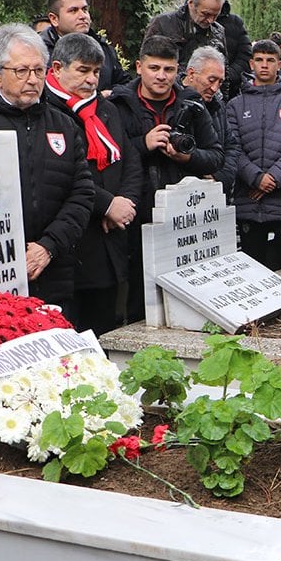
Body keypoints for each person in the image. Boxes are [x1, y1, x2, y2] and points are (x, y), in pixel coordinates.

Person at [0, 24, 95, 308]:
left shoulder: (63, 124)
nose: (32, 80)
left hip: (55, 271)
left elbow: (82, 192)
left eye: (38, 70)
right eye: (21, 71)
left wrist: (49, 246)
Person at [110, 35, 223, 321]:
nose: (162, 76)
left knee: (188, 299)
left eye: (169, 70)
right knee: (140, 301)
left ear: (179, 71)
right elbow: (110, 160)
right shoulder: (118, 105)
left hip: (183, 216)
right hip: (138, 215)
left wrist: (188, 157)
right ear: (139, 67)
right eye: (154, 68)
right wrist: (142, 144)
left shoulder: (192, 103)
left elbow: (216, 155)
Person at [42, 32, 141, 335]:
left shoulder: (106, 109)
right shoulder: (47, 111)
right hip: (75, 239)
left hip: (111, 238)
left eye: (96, 72)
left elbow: (130, 160)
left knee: (106, 327)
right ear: (58, 68)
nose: (91, 80)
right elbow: (61, 174)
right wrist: (106, 205)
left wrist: (124, 203)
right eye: (82, 70)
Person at [226, 39, 281, 271]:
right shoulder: (234, 105)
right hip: (248, 202)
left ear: (280, 64)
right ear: (252, 63)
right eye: (260, 60)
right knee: (252, 269)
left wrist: (272, 179)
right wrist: (255, 178)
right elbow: (232, 147)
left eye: (270, 60)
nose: (265, 65)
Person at [38, 0, 129, 96]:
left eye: (85, 9)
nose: (83, 16)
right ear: (54, 19)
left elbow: (124, 84)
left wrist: (110, 95)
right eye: (73, 11)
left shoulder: (103, 48)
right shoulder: (38, 52)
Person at [192, 0, 253, 100]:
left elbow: (245, 56)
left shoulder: (234, 23)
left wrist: (221, 77)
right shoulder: (181, 23)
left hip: (226, 92)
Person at [144, 0, 228, 74]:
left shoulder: (218, 31)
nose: (210, 21)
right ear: (191, 3)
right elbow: (147, 65)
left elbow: (224, 71)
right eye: (205, 14)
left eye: (215, 16)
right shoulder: (163, 23)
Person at [180, 46, 232, 195]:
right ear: (191, 74)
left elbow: (231, 146)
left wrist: (220, 177)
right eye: (211, 80)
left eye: (220, 82)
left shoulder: (218, 105)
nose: (215, 88)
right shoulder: (174, 101)